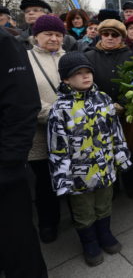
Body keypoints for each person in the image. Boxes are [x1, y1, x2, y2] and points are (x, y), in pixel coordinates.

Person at [48, 52, 131, 266]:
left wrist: (121, 156)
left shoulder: (103, 99)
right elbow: (57, 147)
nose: (85, 77)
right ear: (66, 79)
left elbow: (116, 131)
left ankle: (105, 234)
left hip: (104, 168)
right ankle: (89, 242)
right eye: (78, 73)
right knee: (83, 211)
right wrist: (63, 179)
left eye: (88, 72)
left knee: (104, 204)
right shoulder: (60, 109)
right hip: (78, 175)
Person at [0, 26, 48, 278]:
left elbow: (22, 105)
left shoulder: (4, 42)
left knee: (16, 239)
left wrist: (10, 161)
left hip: (5, 166)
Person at [26, 14, 66, 243]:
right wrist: (56, 114)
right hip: (42, 133)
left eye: (58, 34)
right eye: (48, 34)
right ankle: (48, 223)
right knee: (45, 181)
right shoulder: (26, 59)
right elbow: (26, 95)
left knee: (69, 173)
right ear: (36, 36)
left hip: (71, 131)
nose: (53, 38)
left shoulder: (68, 56)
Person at [85, 19, 132, 103]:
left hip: (124, 109)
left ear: (121, 37)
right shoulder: (88, 56)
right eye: (106, 34)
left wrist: (123, 104)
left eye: (115, 35)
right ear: (101, 36)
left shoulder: (130, 56)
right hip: (96, 107)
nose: (110, 38)